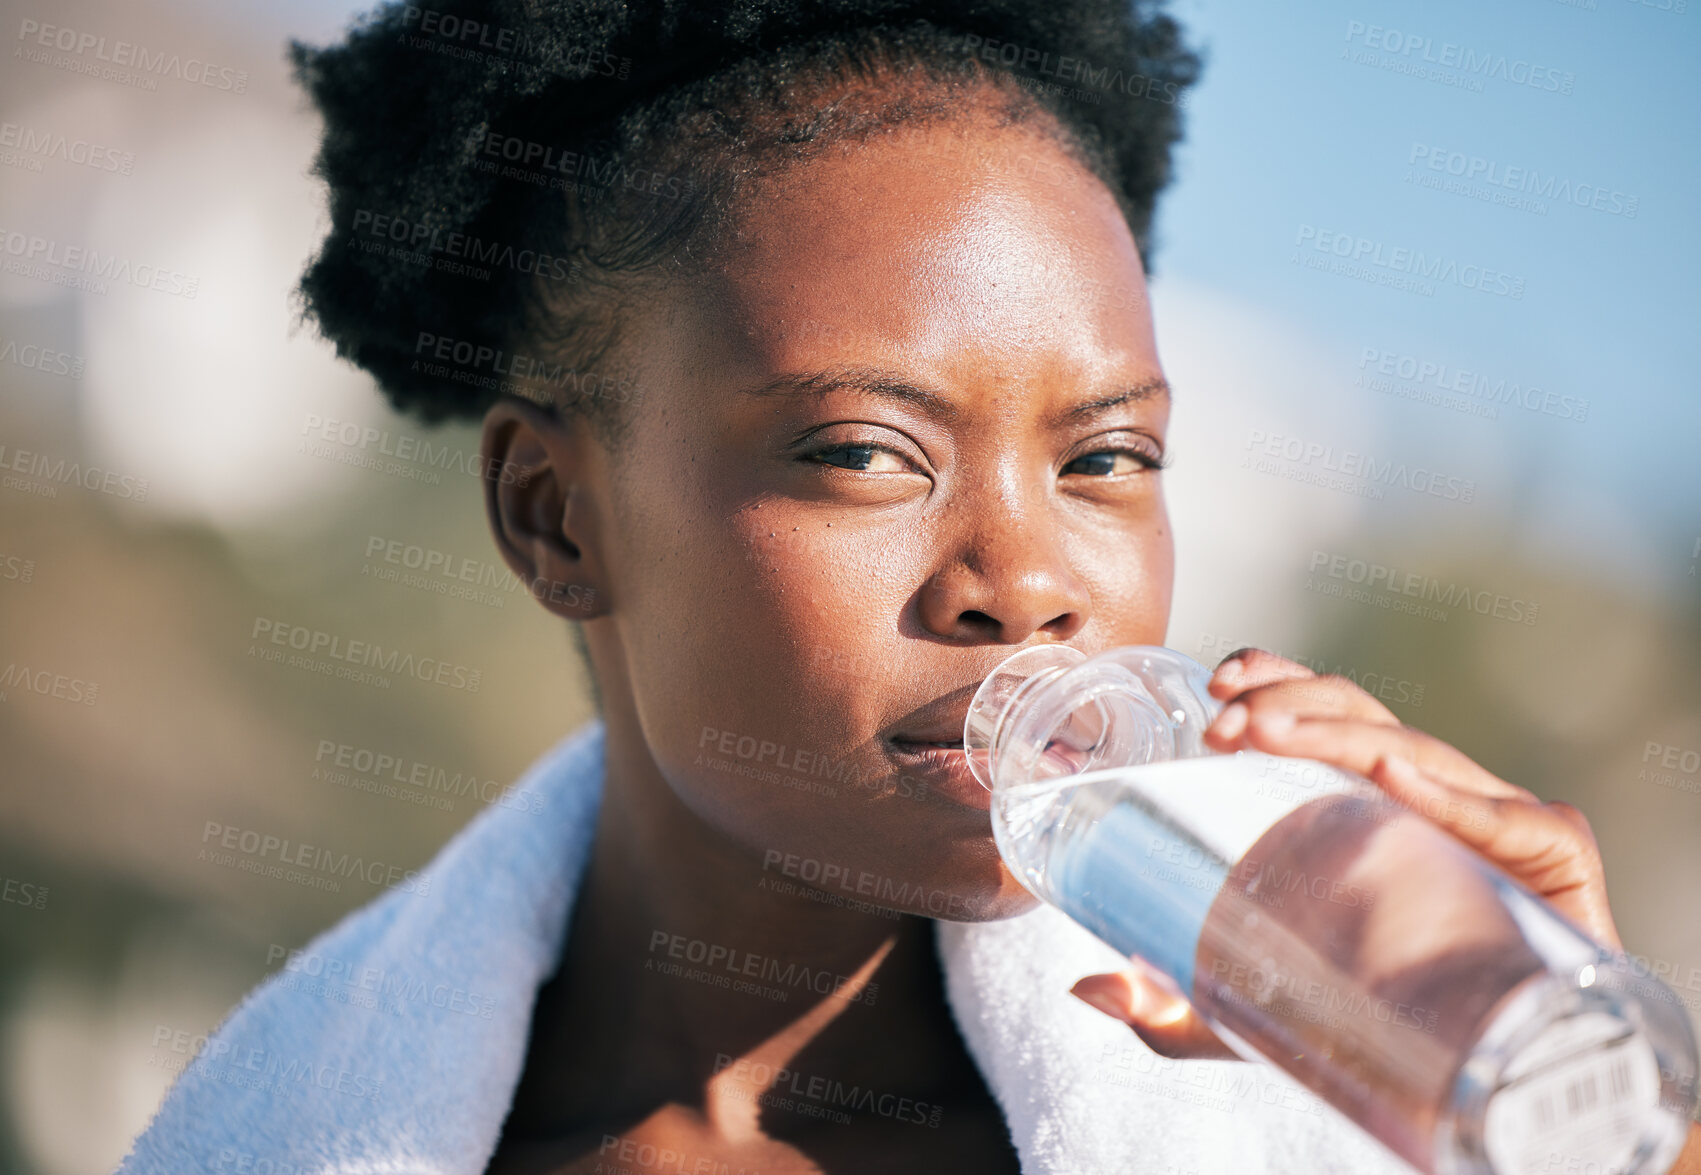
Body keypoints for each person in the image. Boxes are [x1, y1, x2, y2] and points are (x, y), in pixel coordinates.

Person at [117, 0, 1701, 1172]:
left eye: (1102, 462)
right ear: (554, 519)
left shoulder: (1342, 1113)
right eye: (866, 452)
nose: (1024, 585)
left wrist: (1606, 1118)